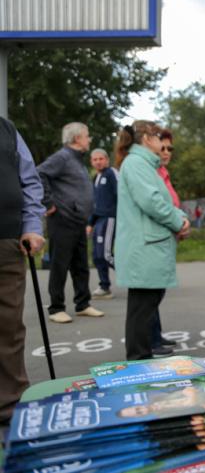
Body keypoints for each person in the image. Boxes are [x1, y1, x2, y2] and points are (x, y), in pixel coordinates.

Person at [114, 121, 190, 360]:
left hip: (148, 246)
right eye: (158, 136)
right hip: (145, 248)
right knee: (141, 311)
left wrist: (180, 217)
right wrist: (179, 222)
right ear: (147, 138)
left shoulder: (141, 164)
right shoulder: (137, 164)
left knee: (144, 308)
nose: (162, 142)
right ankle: (138, 361)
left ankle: (141, 360)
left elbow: (162, 201)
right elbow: (152, 202)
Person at [0, 117, 45, 425]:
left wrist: (32, 226)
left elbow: (29, 180)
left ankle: (10, 405)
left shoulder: (7, 130)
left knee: (9, 326)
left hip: (6, 239)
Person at [37, 122, 104, 323]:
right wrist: (48, 202)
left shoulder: (77, 160)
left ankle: (83, 304)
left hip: (78, 221)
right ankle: (56, 308)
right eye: (86, 135)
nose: (89, 139)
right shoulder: (63, 157)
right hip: (62, 220)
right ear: (76, 138)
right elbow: (39, 173)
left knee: (81, 266)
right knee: (60, 265)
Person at [150, 128, 182, 356]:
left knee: (156, 292)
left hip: (167, 237)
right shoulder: (151, 172)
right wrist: (179, 222)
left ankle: (155, 335)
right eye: (163, 147)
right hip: (155, 239)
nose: (167, 152)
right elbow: (157, 205)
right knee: (150, 293)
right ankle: (150, 340)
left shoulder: (162, 171)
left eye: (170, 148)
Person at [86, 148, 119, 300]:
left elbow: (121, 195)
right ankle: (104, 287)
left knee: (106, 255)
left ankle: (135, 277)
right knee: (97, 255)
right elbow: (95, 204)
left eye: (101, 159)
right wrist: (90, 223)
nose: (98, 162)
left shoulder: (112, 173)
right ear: (91, 162)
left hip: (110, 219)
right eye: (95, 159)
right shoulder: (96, 178)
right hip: (98, 221)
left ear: (107, 160)